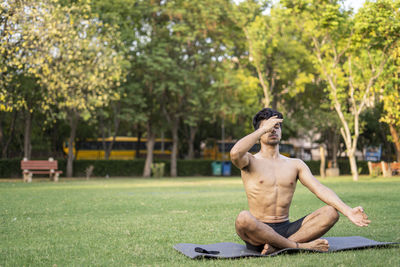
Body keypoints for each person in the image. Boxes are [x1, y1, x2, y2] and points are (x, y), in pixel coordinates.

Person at [230, 108, 370, 255]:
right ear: (259, 133)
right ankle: (298, 246)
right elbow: (235, 153)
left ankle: (279, 246)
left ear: (281, 132)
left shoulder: (295, 164)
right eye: (269, 127)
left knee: (331, 212)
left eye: (276, 127)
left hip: (287, 229)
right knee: (243, 218)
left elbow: (319, 189)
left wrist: (348, 211)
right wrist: (264, 128)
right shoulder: (249, 161)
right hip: (258, 233)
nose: (273, 130)